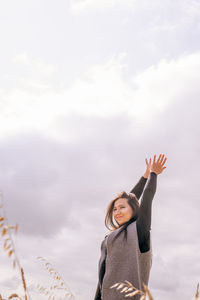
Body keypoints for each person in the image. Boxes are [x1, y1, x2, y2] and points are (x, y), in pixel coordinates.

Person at [94, 154, 167, 300]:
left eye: (122, 208)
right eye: (115, 209)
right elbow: (102, 274)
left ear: (134, 209)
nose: (117, 212)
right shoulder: (112, 237)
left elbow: (146, 198)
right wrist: (144, 177)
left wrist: (153, 175)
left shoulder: (140, 231)